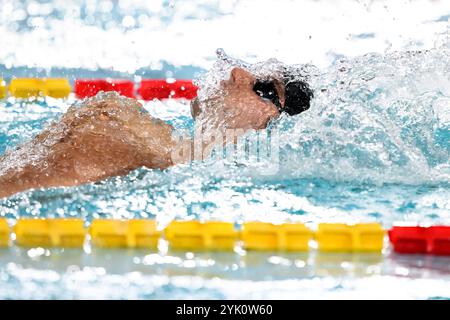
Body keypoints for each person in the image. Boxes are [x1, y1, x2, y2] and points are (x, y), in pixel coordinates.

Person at [0, 67, 313, 199]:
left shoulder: (123, 142)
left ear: (266, 123)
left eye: (262, 88)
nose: (238, 72)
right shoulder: (137, 130)